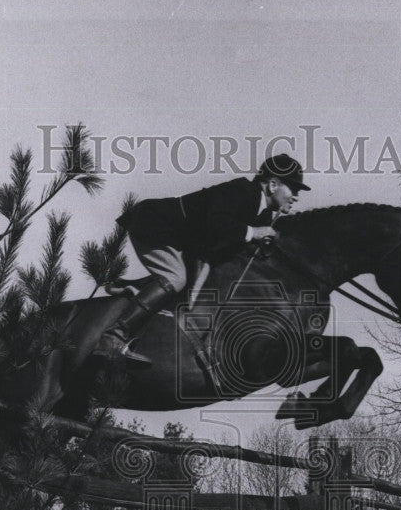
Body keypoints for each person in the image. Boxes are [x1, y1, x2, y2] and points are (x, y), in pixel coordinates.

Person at [92, 153, 311, 366]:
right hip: (156, 224)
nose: (296, 197)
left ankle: (132, 288)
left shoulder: (262, 213)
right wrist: (253, 233)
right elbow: (215, 223)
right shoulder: (242, 190)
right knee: (175, 278)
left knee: (190, 286)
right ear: (273, 185)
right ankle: (113, 337)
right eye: (293, 189)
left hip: (184, 242)